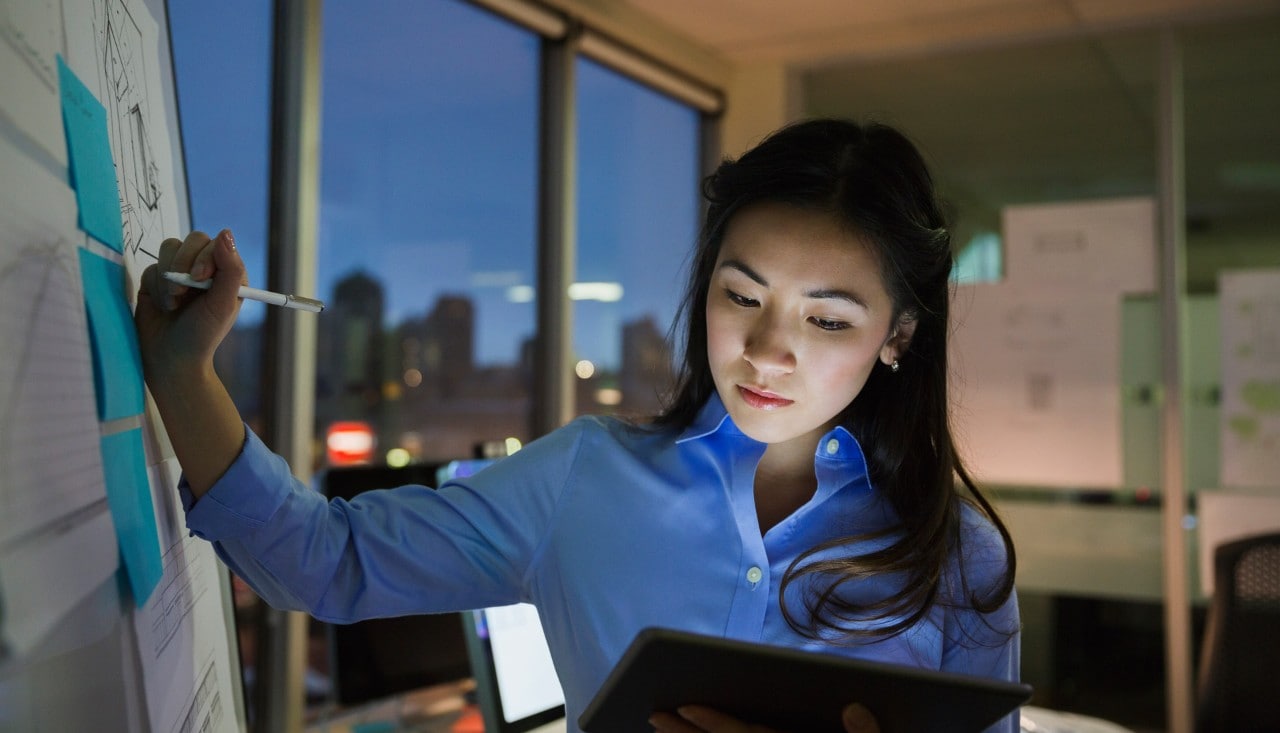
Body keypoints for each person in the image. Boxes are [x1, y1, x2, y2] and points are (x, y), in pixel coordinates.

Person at [135, 118, 1019, 733]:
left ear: (898, 335)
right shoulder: (587, 478)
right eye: (740, 296)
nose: (766, 350)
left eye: (827, 320)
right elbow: (328, 561)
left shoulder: (958, 556)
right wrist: (182, 373)